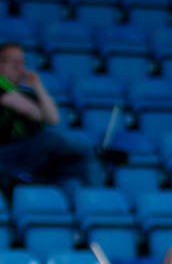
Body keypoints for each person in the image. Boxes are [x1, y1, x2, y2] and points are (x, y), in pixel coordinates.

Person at [0, 41, 100, 191]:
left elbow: (53, 118)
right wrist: (39, 112)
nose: (19, 67)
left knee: (78, 161)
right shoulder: (2, 86)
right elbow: (34, 113)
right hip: (7, 151)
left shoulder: (27, 93)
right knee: (52, 139)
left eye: (22, 62)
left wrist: (38, 86)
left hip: (32, 154)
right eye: (13, 62)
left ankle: (92, 199)